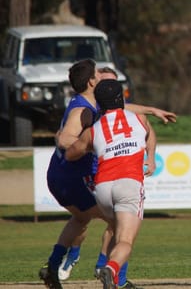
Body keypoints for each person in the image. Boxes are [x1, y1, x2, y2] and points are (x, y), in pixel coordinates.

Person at [39, 60, 175, 289]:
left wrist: (151, 110)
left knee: (81, 219)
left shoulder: (92, 104)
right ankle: (115, 278)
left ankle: (52, 267)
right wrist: (96, 145)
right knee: (119, 224)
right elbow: (63, 139)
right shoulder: (82, 109)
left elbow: (120, 108)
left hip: (60, 176)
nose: (102, 73)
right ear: (92, 81)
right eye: (98, 72)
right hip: (72, 178)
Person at [65, 79, 156, 289]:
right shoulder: (139, 119)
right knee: (125, 239)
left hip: (103, 188)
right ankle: (110, 269)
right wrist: (150, 156)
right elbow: (149, 135)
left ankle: (116, 278)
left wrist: (82, 144)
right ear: (121, 98)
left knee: (115, 228)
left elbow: (71, 154)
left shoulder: (93, 130)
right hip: (129, 183)